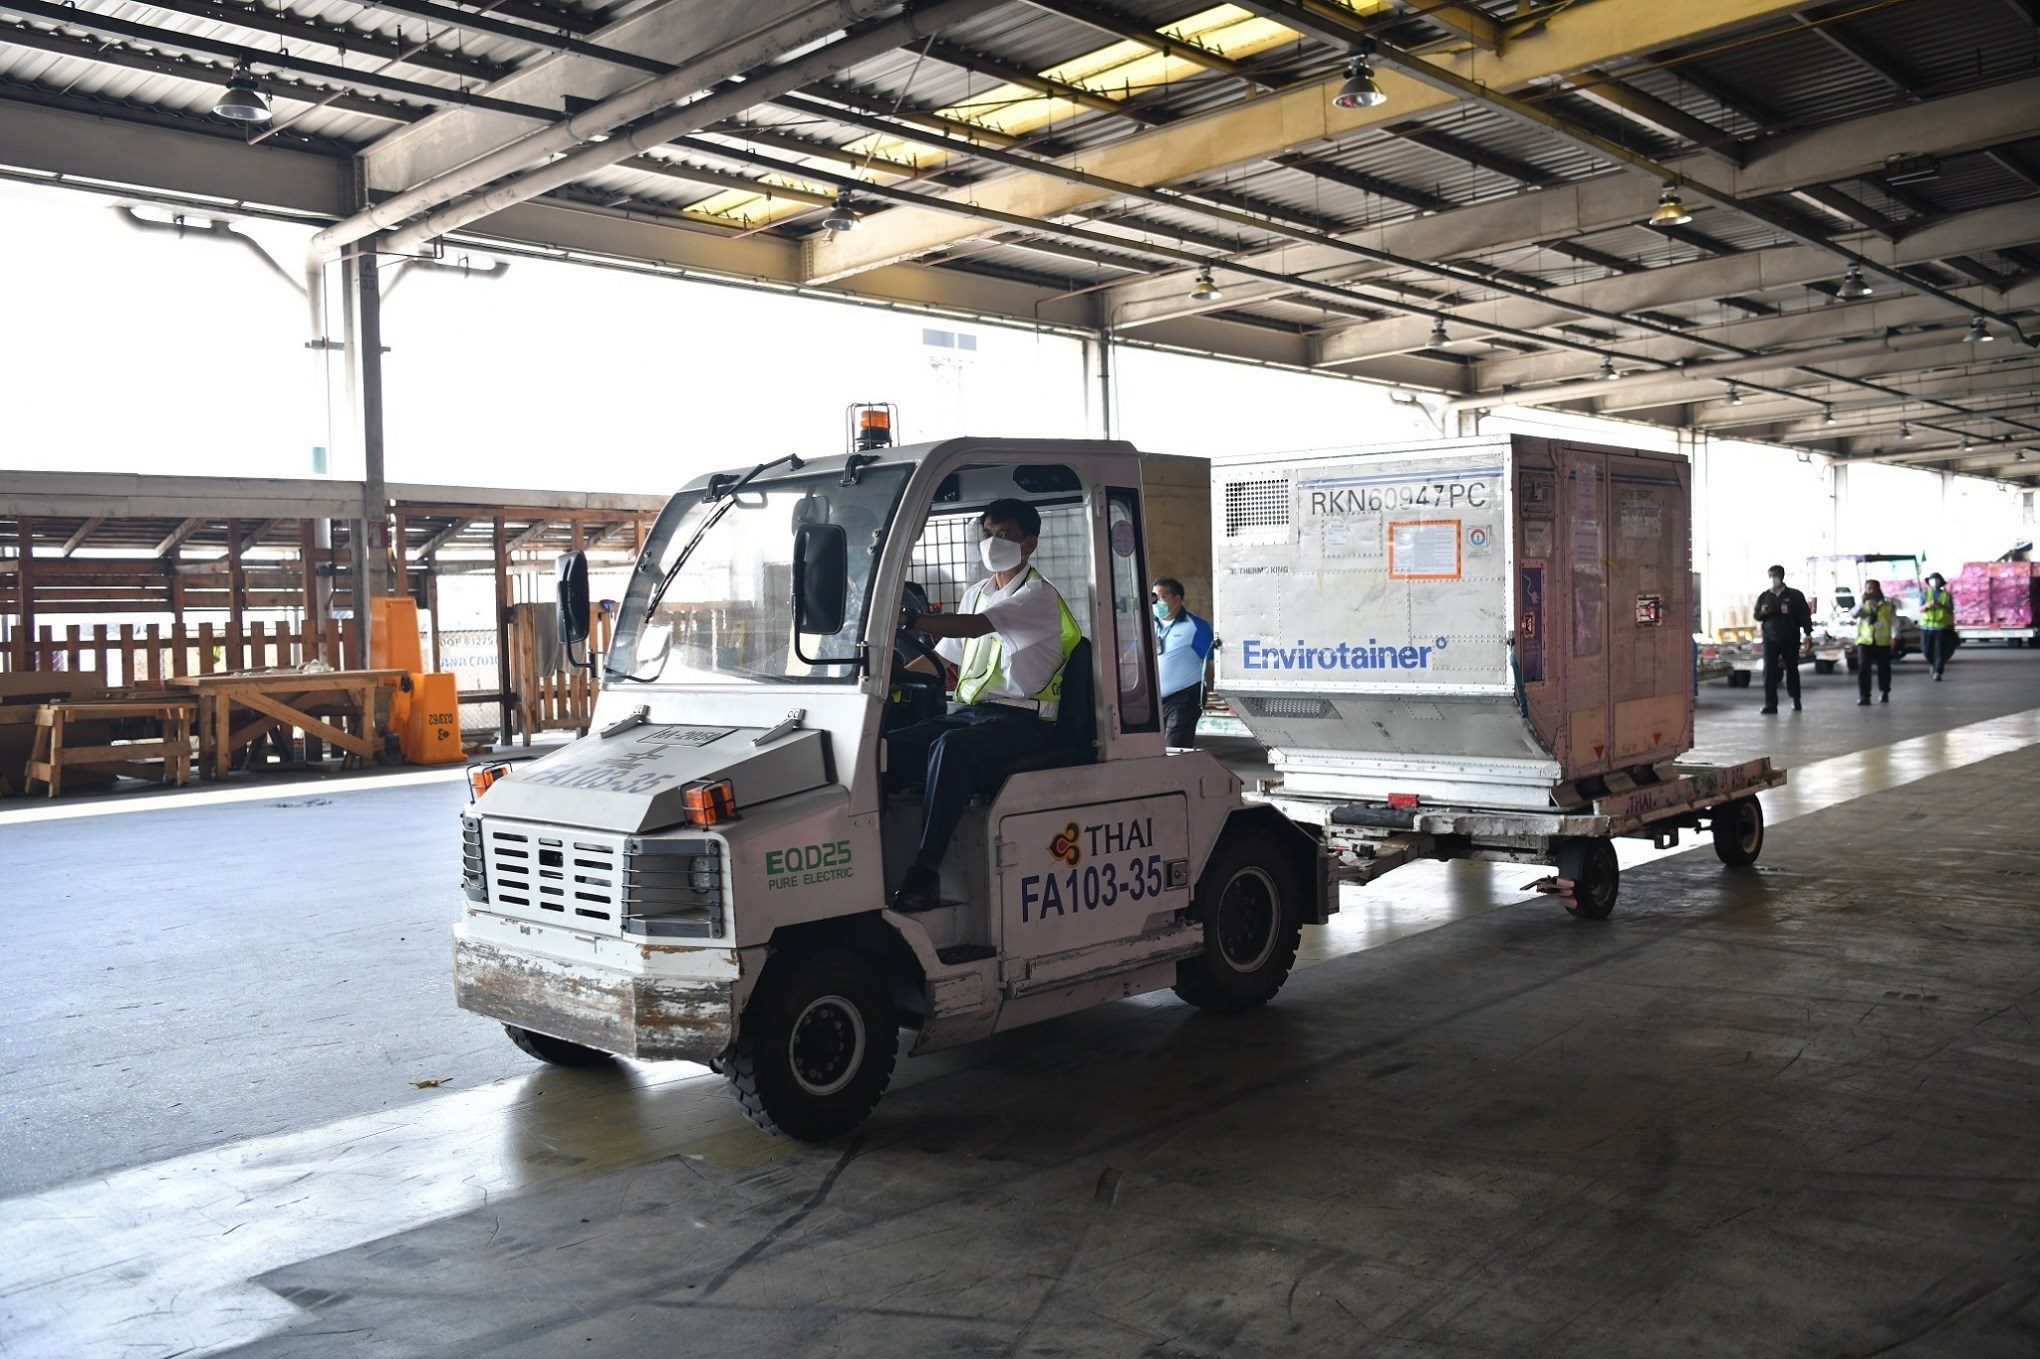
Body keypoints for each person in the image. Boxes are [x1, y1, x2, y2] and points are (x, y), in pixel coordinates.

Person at [884, 498, 1084, 912]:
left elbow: (975, 628)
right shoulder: (978, 591)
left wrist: (907, 620)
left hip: (1027, 719)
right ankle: (873, 856)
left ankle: (924, 871)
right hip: (976, 714)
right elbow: (943, 659)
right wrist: (884, 686)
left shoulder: (1037, 596)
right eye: (989, 533)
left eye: (1006, 534)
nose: (994, 542)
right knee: (888, 745)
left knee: (951, 748)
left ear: (1029, 544)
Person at [1151, 577, 1214, 749]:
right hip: (1155, 700)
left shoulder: (1195, 626)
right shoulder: (1149, 624)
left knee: (1174, 747)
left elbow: (1210, 657)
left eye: (1161, 598)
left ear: (1177, 599)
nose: (1157, 603)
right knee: (1153, 749)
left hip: (1184, 697)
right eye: (1154, 598)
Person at [1753, 564, 1812, 715]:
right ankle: (1770, 704)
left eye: (1775, 576)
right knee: (1769, 671)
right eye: (1770, 576)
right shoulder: (1765, 596)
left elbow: (1804, 615)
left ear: (1782, 576)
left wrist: (1808, 634)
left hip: (1790, 638)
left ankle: (1795, 699)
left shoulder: (1795, 595)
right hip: (1770, 639)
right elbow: (1757, 616)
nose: (1772, 579)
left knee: (1792, 668)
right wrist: (1762, 612)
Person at [1854, 580, 1895, 706]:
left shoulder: (1887, 605)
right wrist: (1861, 602)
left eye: (1872, 588)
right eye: (1867, 588)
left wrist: (1895, 637)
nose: (1869, 591)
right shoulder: (1862, 605)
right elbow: (1853, 614)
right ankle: (1864, 696)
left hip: (1882, 642)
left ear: (1878, 589)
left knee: (1884, 668)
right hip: (1865, 641)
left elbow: (1894, 622)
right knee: (1863, 668)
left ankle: (1884, 691)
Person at [1919, 571, 1954, 680]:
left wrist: (1941, 606)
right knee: (1926, 650)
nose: (1934, 582)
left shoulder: (1947, 596)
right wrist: (1928, 605)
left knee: (1940, 650)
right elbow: (1920, 609)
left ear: (1941, 582)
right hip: (1926, 627)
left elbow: (1950, 610)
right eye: (1932, 580)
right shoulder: (1924, 594)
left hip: (1941, 628)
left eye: (1937, 580)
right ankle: (1933, 664)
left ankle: (1937, 671)